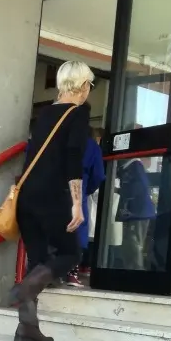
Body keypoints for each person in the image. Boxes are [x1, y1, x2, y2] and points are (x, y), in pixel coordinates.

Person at [9, 61, 92, 341]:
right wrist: (77, 203)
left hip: (26, 196)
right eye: (89, 85)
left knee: (38, 261)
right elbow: (73, 159)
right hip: (51, 196)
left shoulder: (45, 113)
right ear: (83, 85)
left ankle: (27, 328)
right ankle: (25, 289)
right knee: (71, 253)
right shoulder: (79, 113)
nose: (89, 90)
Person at [67, 121, 105, 287]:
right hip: (79, 188)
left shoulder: (61, 142)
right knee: (78, 228)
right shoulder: (92, 146)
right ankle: (72, 272)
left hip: (56, 188)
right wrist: (88, 190)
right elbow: (98, 174)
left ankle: (48, 270)